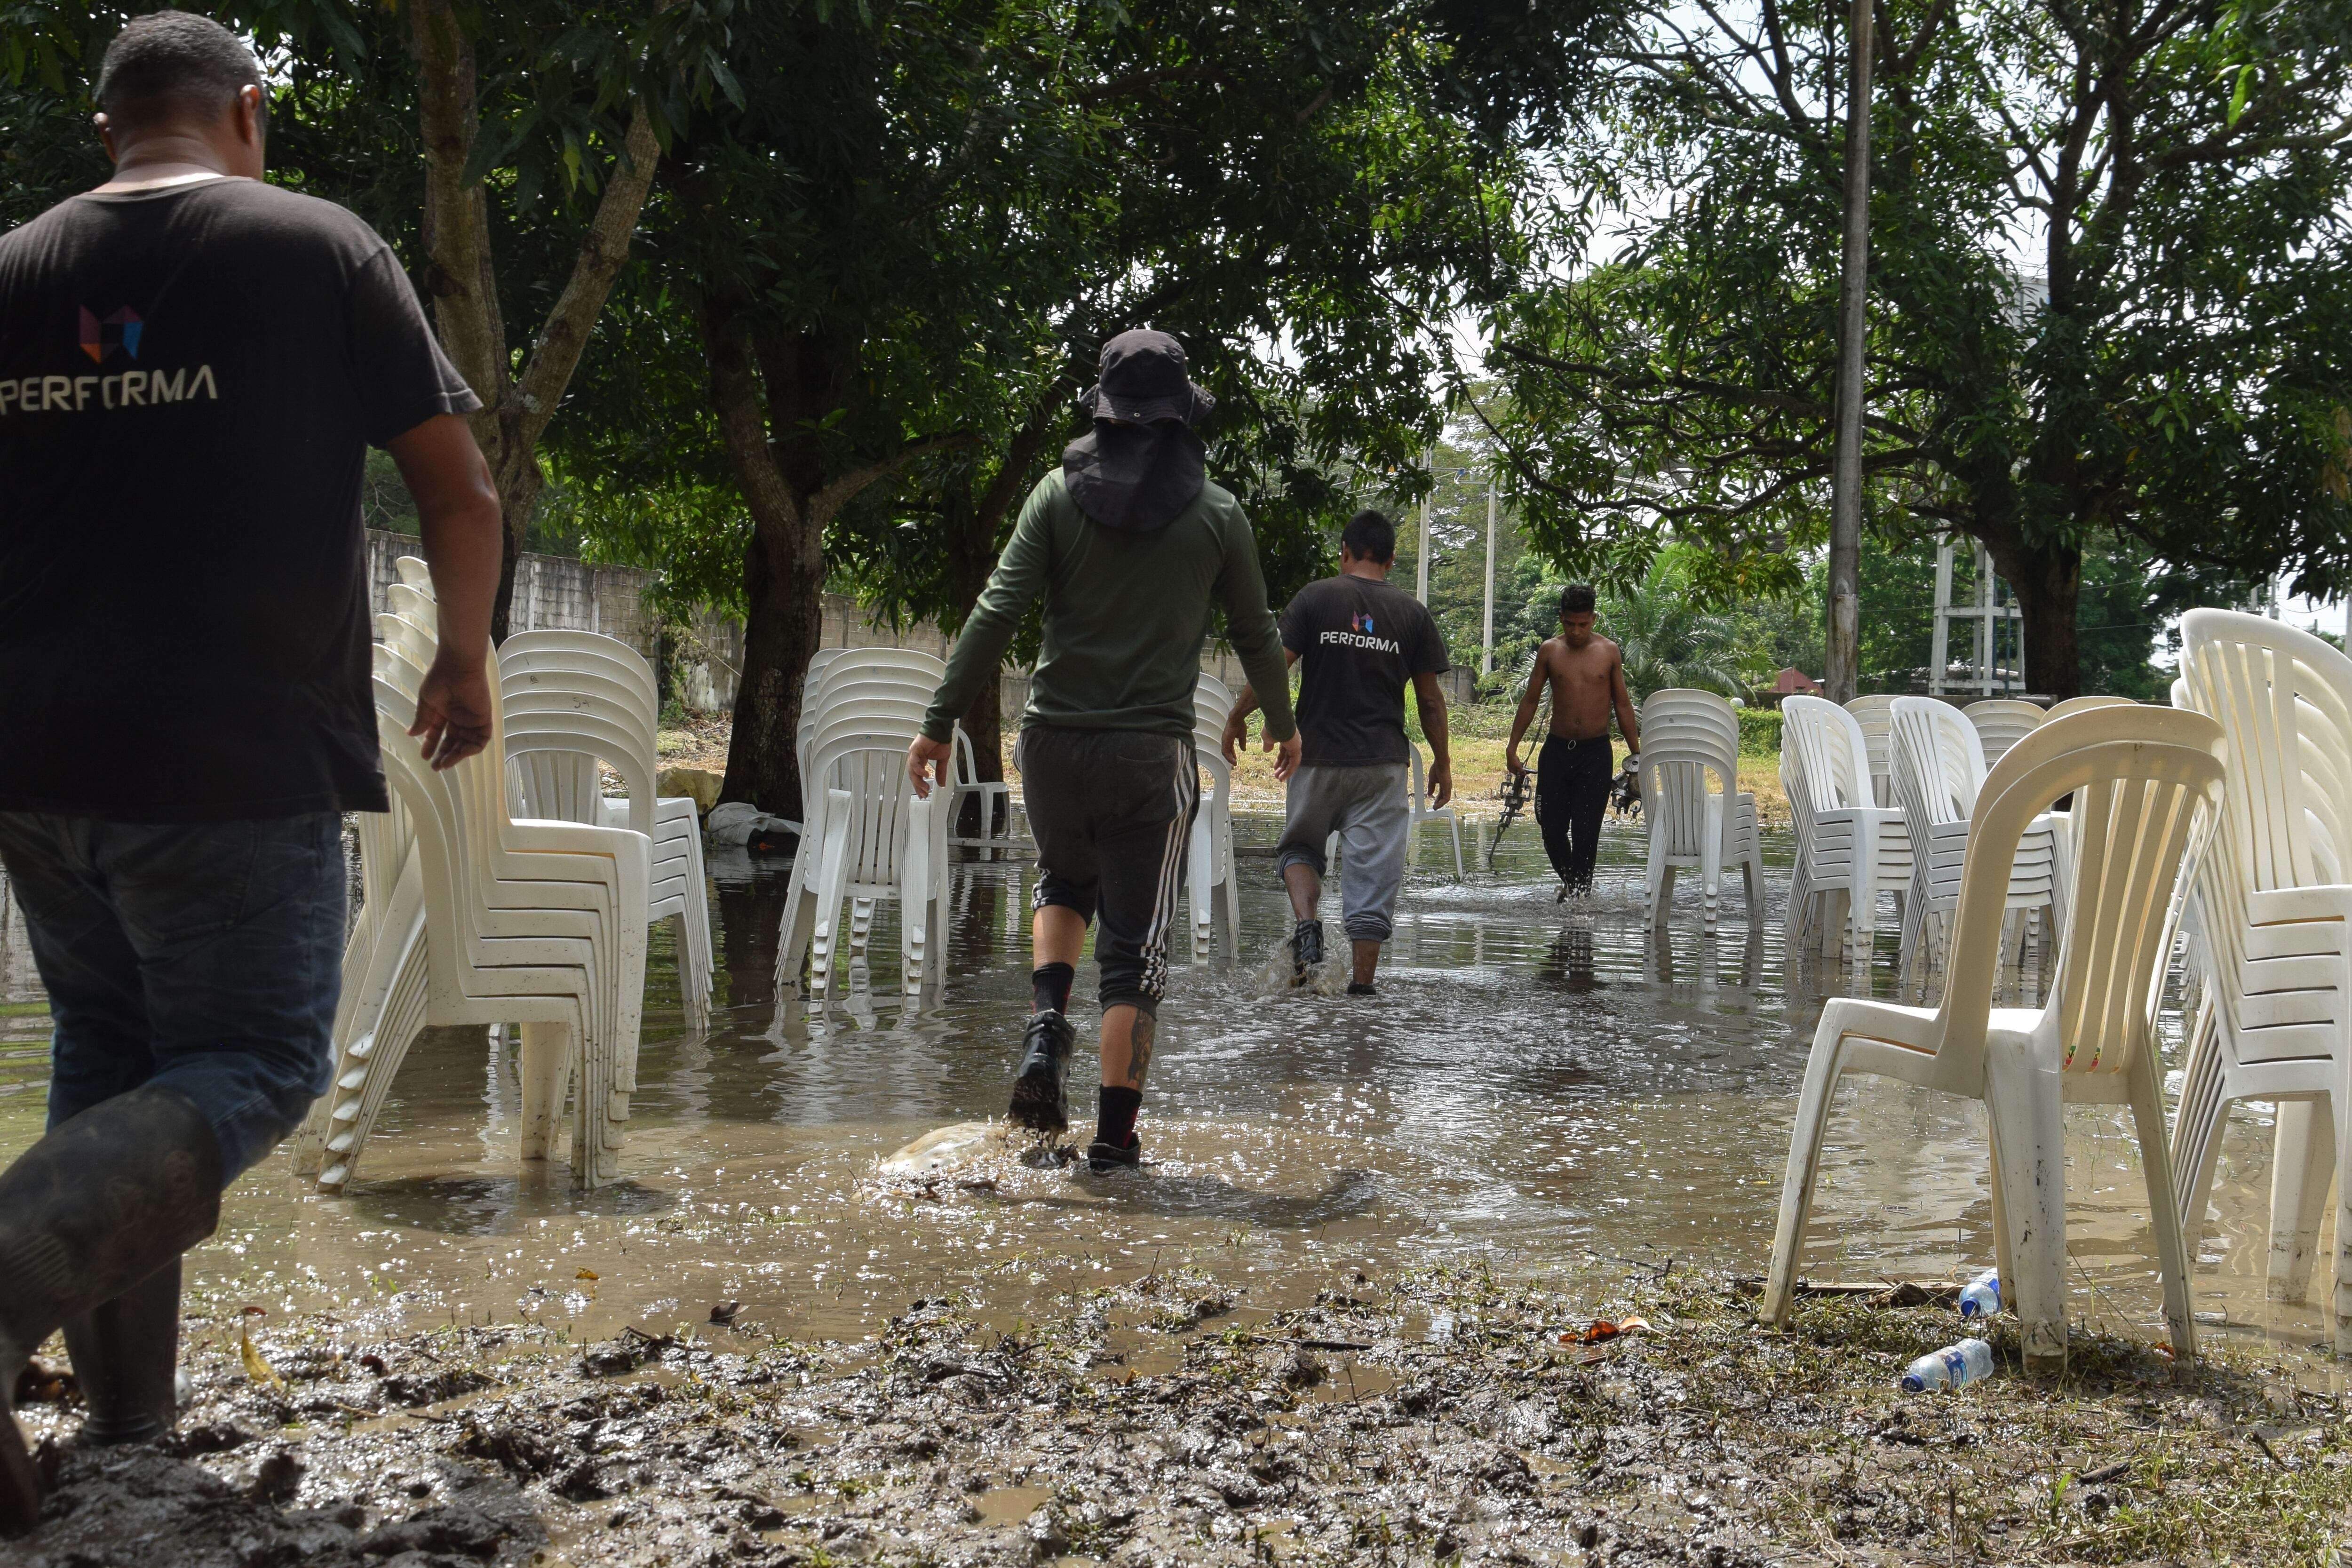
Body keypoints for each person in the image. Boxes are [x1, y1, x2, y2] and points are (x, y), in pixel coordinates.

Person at [0, 13, 498, 1530]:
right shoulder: (320, 249)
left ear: (107, 132)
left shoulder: (13, 269)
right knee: (263, 1061)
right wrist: (463, 653)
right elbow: (455, 478)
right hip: (231, 747)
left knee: (111, 1043)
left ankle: (130, 1427)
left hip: (33, 753)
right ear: (248, 115)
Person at [906, 330, 1296, 1173]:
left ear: (1106, 414)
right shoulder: (1219, 514)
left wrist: (938, 721)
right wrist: (1285, 722)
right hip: (1148, 761)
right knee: (1135, 956)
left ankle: (1047, 1023)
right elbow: (1259, 636)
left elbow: (995, 611)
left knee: (1062, 878)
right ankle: (1115, 1145)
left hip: (1049, 748)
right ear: (1184, 417)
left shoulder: (1054, 495)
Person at [1222, 509, 1451, 995]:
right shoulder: (1412, 613)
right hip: (1381, 766)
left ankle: (1308, 926)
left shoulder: (1316, 597)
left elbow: (1272, 668)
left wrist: (1237, 714)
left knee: (1301, 848)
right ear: (1390, 559)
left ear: (1344, 552)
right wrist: (1442, 762)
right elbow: (1430, 700)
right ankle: (1363, 990)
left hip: (1316, 757)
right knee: (1372, 878)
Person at [1506, 584, 1640, 899]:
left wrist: (1637, 755)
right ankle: (1573, 883)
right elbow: (1530, 700)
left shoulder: (1608, 652)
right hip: (1557, 751)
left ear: (1593, 619)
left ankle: (1579, 898)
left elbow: (1622, 704)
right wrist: (1512, 746)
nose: (1577, 631)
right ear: (1561, 619)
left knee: (1585, 833)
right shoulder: (1550, 651)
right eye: (1570, 624)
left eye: (1583, 624)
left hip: (1595, 754)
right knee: (1551, 830)